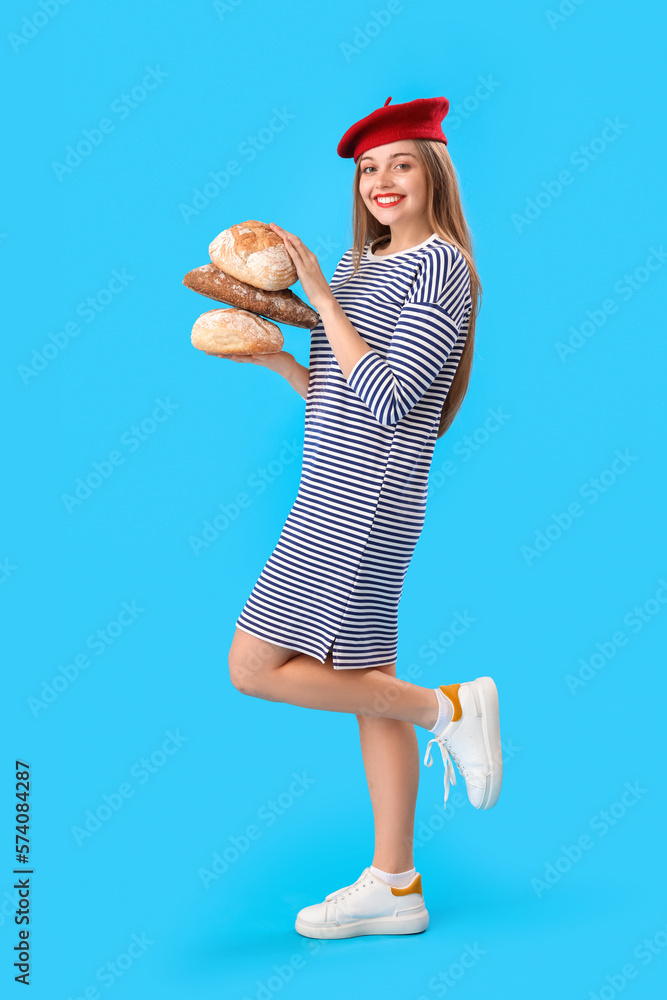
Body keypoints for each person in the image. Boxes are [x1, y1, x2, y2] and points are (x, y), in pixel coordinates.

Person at [223, 95, 502, 939]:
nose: (381, 182)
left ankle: (446, 711)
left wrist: (317, 299)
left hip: (366, 502)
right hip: (328, 489)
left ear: (433, 175)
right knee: (362, 691)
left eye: (400, 164)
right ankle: (396, 884)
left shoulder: (438, 267)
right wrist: (281, 360)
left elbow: (385, 399)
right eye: (366, 169)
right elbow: (341, 400)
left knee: (253, 667)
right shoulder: (354, 266)